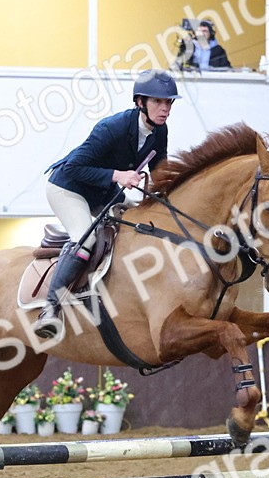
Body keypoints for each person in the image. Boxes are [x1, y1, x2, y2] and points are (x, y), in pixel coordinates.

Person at [35, 69, 179, 339]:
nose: (165, 108)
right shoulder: (111, 127)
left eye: (169, 102)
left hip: (103, 193)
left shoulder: (160, 132)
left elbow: (161, 172)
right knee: (85, 238)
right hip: (68, 188)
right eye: (158, 102)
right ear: (140, 102)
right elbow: (74, 167)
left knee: (136, 227)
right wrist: (117, 175)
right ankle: (50, 308)